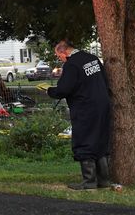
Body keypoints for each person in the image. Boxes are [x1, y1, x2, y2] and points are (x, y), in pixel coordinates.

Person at [47, 40, 111, 190]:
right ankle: (104, 180)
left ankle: (89, 181)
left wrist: (49, 91)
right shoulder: (92, 58)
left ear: (64, 52)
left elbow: (64, 89)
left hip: (85, 107)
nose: (60, 59)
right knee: (101, 139)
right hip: (103, 104)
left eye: (59, 56)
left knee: (84, 140)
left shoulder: (72, 65)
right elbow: (104, 80)